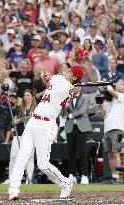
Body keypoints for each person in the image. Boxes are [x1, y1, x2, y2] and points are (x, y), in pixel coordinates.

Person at [8, 66, 84, 200]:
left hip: (45, 124)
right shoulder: (65, 84)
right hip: (34, 121)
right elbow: (49, 79)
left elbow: (48, 78)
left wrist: (59, 77)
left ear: (74, 78)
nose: (66, 72)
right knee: (22, 156)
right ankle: (13, 189)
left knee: (43, 164)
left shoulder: (63, 83)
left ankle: (66, 183)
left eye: (69, 72)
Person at [99, 80, 124, 183]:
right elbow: (102, 114)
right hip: (107, 129)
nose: (120, 86)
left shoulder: (123, 97)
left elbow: (111, 91)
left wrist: (108, 86)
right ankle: (113, 176)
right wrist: (100, 104)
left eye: (123, 84)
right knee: (109, 154)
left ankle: (117, 177)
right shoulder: (109, 100)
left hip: (118, 129)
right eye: (119, 84)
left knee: (116, 153)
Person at [65, 86, 92, 185]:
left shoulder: (85, 97)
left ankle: (84, 175)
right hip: (70, 127)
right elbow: (63, 111)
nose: (73, 88)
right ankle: (71, 175)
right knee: (71, 153)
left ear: (80, 88)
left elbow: (83, 111)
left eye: (75, 86)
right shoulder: (67, 98)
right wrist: (63, 106)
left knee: (82, 152)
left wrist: (70, 115)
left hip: (82, 128)